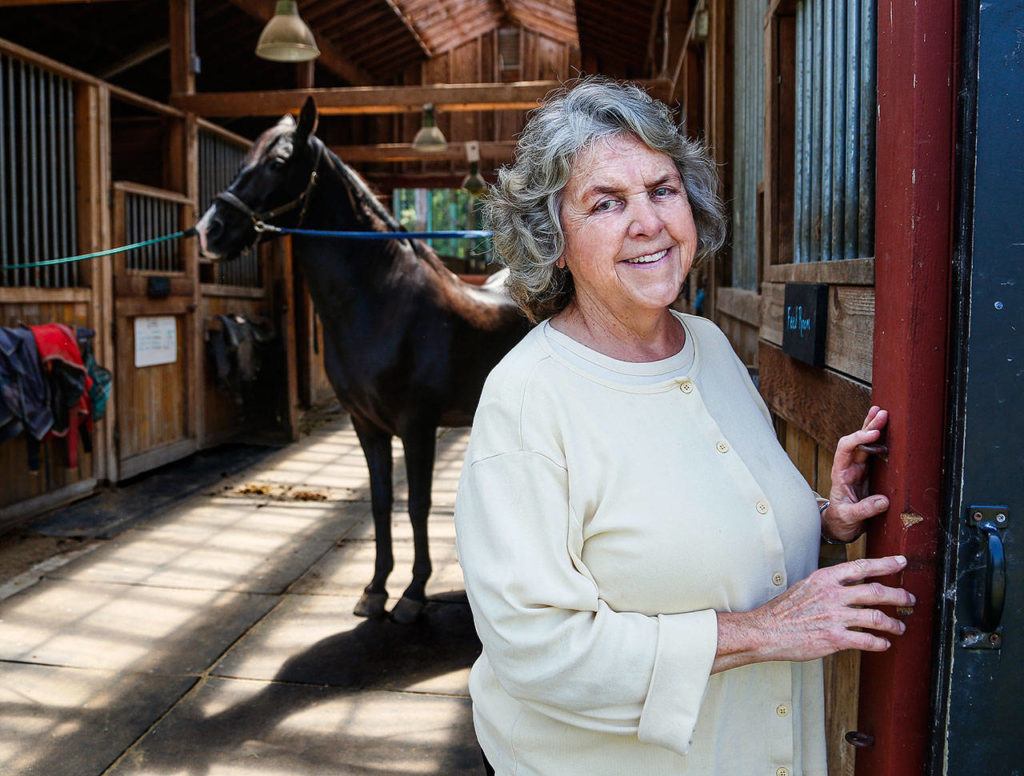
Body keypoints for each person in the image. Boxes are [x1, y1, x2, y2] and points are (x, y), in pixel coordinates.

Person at [454, 77, 913, 776]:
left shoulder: (709, 345)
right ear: (553, 240)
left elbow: (698, 519)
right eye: (606, 203)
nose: (648, 222)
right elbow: (535, 648)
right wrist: (765, 632)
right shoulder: (528, 398)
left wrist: (823, 518)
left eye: (662, 190)